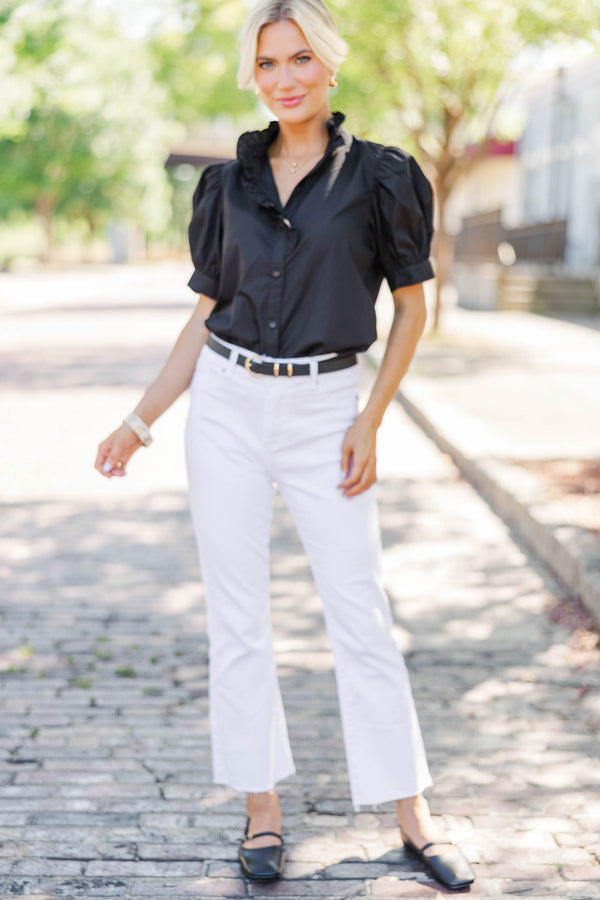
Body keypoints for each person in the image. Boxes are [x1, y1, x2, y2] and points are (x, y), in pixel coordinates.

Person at [95, 0, 475, 889]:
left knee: (360, 611)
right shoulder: (227, 184)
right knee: (238, 618)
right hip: (225, 403)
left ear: (329, 66)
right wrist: (140, 420)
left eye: (300, 58)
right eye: (269, 64)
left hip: (325, 408)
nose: (286, 78)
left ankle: (411, 813)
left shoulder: (381, 178)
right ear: (254, 76)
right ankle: (262, 810)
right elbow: (203, 318)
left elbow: (412, 307)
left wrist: (369, 419)